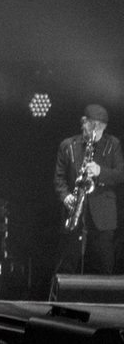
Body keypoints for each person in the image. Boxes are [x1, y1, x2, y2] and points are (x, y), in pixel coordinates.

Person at [53, 104, 124, 274]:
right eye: (91, 127)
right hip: (75, 214)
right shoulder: (68, 145)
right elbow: (59, 178)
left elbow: (121, 175)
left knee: (104, 267)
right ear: (84, 122)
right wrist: (65, 196)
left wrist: (100, 171)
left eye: (99, 129)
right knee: (67, 265)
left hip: (103, 217)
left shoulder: (113, 144)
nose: (94, 133)